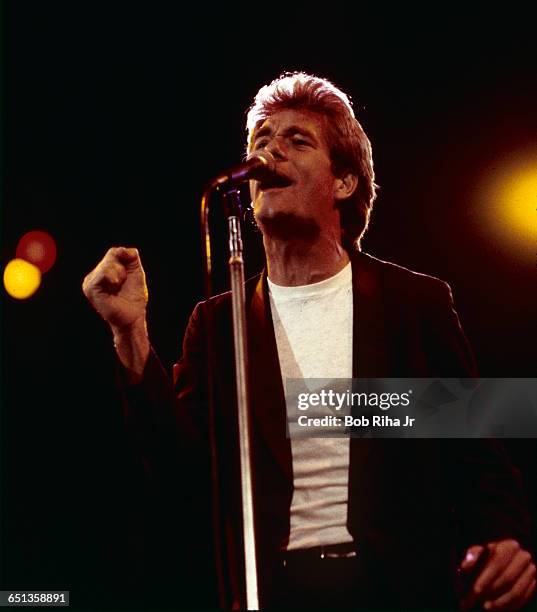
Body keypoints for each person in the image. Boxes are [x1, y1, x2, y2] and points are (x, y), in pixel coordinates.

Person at [83, 72, 535, 609]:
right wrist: (129, 334)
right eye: (261, 140)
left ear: (343, 183)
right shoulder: (219, 323)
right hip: (275, 594)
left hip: (396, 590)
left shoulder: (414, 305)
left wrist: (507, 540)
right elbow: (183, 475)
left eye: (298, 140)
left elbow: (477, 457)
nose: (271, 150)